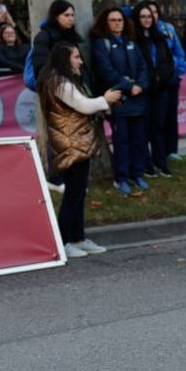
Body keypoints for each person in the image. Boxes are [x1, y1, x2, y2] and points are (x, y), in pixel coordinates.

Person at [37, 42, 123, 257]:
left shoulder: (62, 80)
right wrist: (106, 100)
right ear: (64, 59)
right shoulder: (59, 81)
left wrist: (103, 102)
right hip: (70, 144)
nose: (80, 61)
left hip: (75, 142)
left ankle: (78, 238)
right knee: (74, 194)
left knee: (78, 192)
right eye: (76, 57)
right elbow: (84, 105)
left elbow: (82, 105)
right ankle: (63, 241)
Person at [90, 6, 151, 196]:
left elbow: (143, 66)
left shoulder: (130, 42)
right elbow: (106, 70)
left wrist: (140, 85)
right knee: (122, 141)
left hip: (137, 99)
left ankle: (137, 174)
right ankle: (122, 178)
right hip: (119, 100)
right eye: (113, 20)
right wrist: (128, 86)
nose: (117, 23)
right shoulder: (101, 44)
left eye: (120, 20)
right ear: (106, 23)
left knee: (139, 140)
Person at [134, 0, 186, 165]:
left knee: (166, 119)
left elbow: (176, 54)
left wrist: (176, 73)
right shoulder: (136, 35)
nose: (150, 17)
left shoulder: (166, 31)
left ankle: (167, 153)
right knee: (147, 124)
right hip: (146, 86)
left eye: (153, 13)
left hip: (167, 82)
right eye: (144, 15)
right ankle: (147, 160)